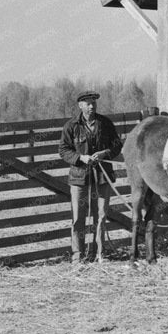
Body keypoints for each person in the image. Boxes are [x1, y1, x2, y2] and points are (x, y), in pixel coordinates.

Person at [59, 90, 122, 262]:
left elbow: (117, 145)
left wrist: (105, 153)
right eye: (87, 103)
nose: (91, 106)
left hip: (102, 177)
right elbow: (63, 150)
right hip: (79, 178)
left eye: (94, 102)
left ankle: (100, 254)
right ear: (80, 105)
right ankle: (78, 257)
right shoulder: (71, 125)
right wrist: (81, 158)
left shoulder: (106, 123)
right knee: (78, 218)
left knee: (101, 216)